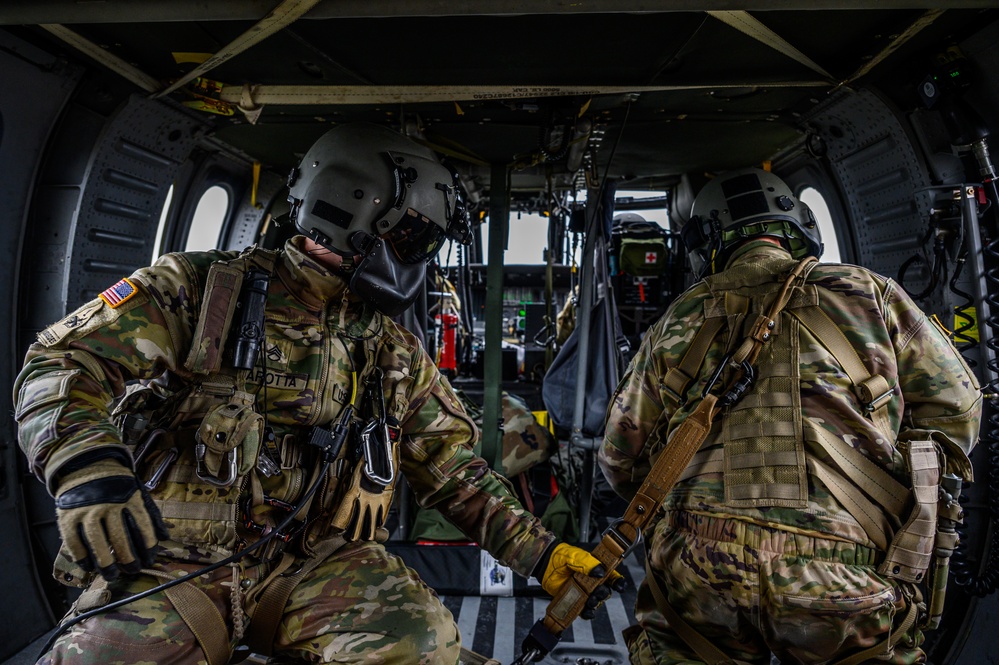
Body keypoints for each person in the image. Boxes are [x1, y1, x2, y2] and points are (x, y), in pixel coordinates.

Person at [14, 122, 620, 665]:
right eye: (414, 239)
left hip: (313, 564)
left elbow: (455, 471)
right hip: (176, 563)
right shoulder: (196, 292)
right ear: (357, 216)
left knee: (424, 642)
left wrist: (545, 556)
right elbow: (58, 365)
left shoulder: (390, 349)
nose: (420, 259)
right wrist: (89, 472)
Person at [599, 167, 982, 664]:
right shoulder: (872, 294)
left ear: (707, 244)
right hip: (843, 572)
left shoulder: (680, 316)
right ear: (801, 228)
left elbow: (620, 460)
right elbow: (958, 414)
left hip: (701, 569)